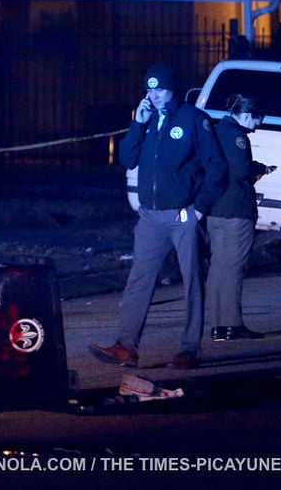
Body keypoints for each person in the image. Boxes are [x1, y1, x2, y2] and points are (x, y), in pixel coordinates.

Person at [90, 63, 228, 369]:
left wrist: (199, 208)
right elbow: (127, 158)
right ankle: (126, 346)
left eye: (160, 89)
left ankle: (189, 349)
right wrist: (138, 124)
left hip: (182, 215)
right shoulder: (147, 118)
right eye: (150, 89)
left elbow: (217, 167)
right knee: (139, 279)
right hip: (150, 216)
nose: (154, 95)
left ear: (173, 89)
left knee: (191, 280)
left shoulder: (194, 119)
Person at [207, 94, 275, 341]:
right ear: (246, 115)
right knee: (234, 269)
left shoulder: (216, 131)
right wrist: (259, 168)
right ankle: (232, 325)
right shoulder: (236, 135)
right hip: (236, 209)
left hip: (217, 210)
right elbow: (240, 170)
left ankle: (217, 325)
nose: (258, 126)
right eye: (258, 120)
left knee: (218, 269)